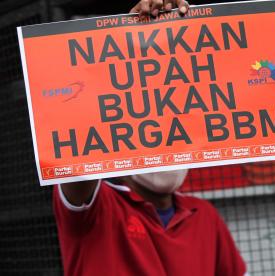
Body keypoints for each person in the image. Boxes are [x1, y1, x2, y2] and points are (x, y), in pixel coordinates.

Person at [53, 1, 247, 275]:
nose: (164, 143)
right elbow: (78, 159)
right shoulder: (95, 211)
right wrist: (127, 44)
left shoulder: (204, 215)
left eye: (174, 133)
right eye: (151, 135)